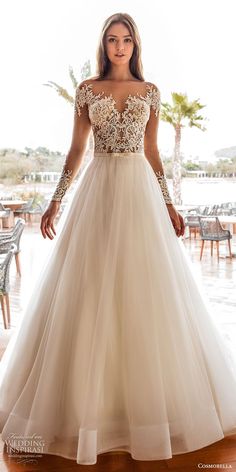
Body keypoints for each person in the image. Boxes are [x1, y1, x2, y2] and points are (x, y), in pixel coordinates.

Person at [1, 12, 236, 467]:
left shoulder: (151, 93)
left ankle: (144, 410)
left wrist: (169, 204)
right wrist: (55, 202)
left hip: (140, 196)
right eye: (112, 39)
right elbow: (75, 152)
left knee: (144, 295)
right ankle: (89, 411)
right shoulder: (88, 90)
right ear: (103, 45)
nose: (120, 46)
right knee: (89, 294)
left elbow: (152, 153)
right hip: (99, 192)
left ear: (136, 45)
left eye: (127, 39)